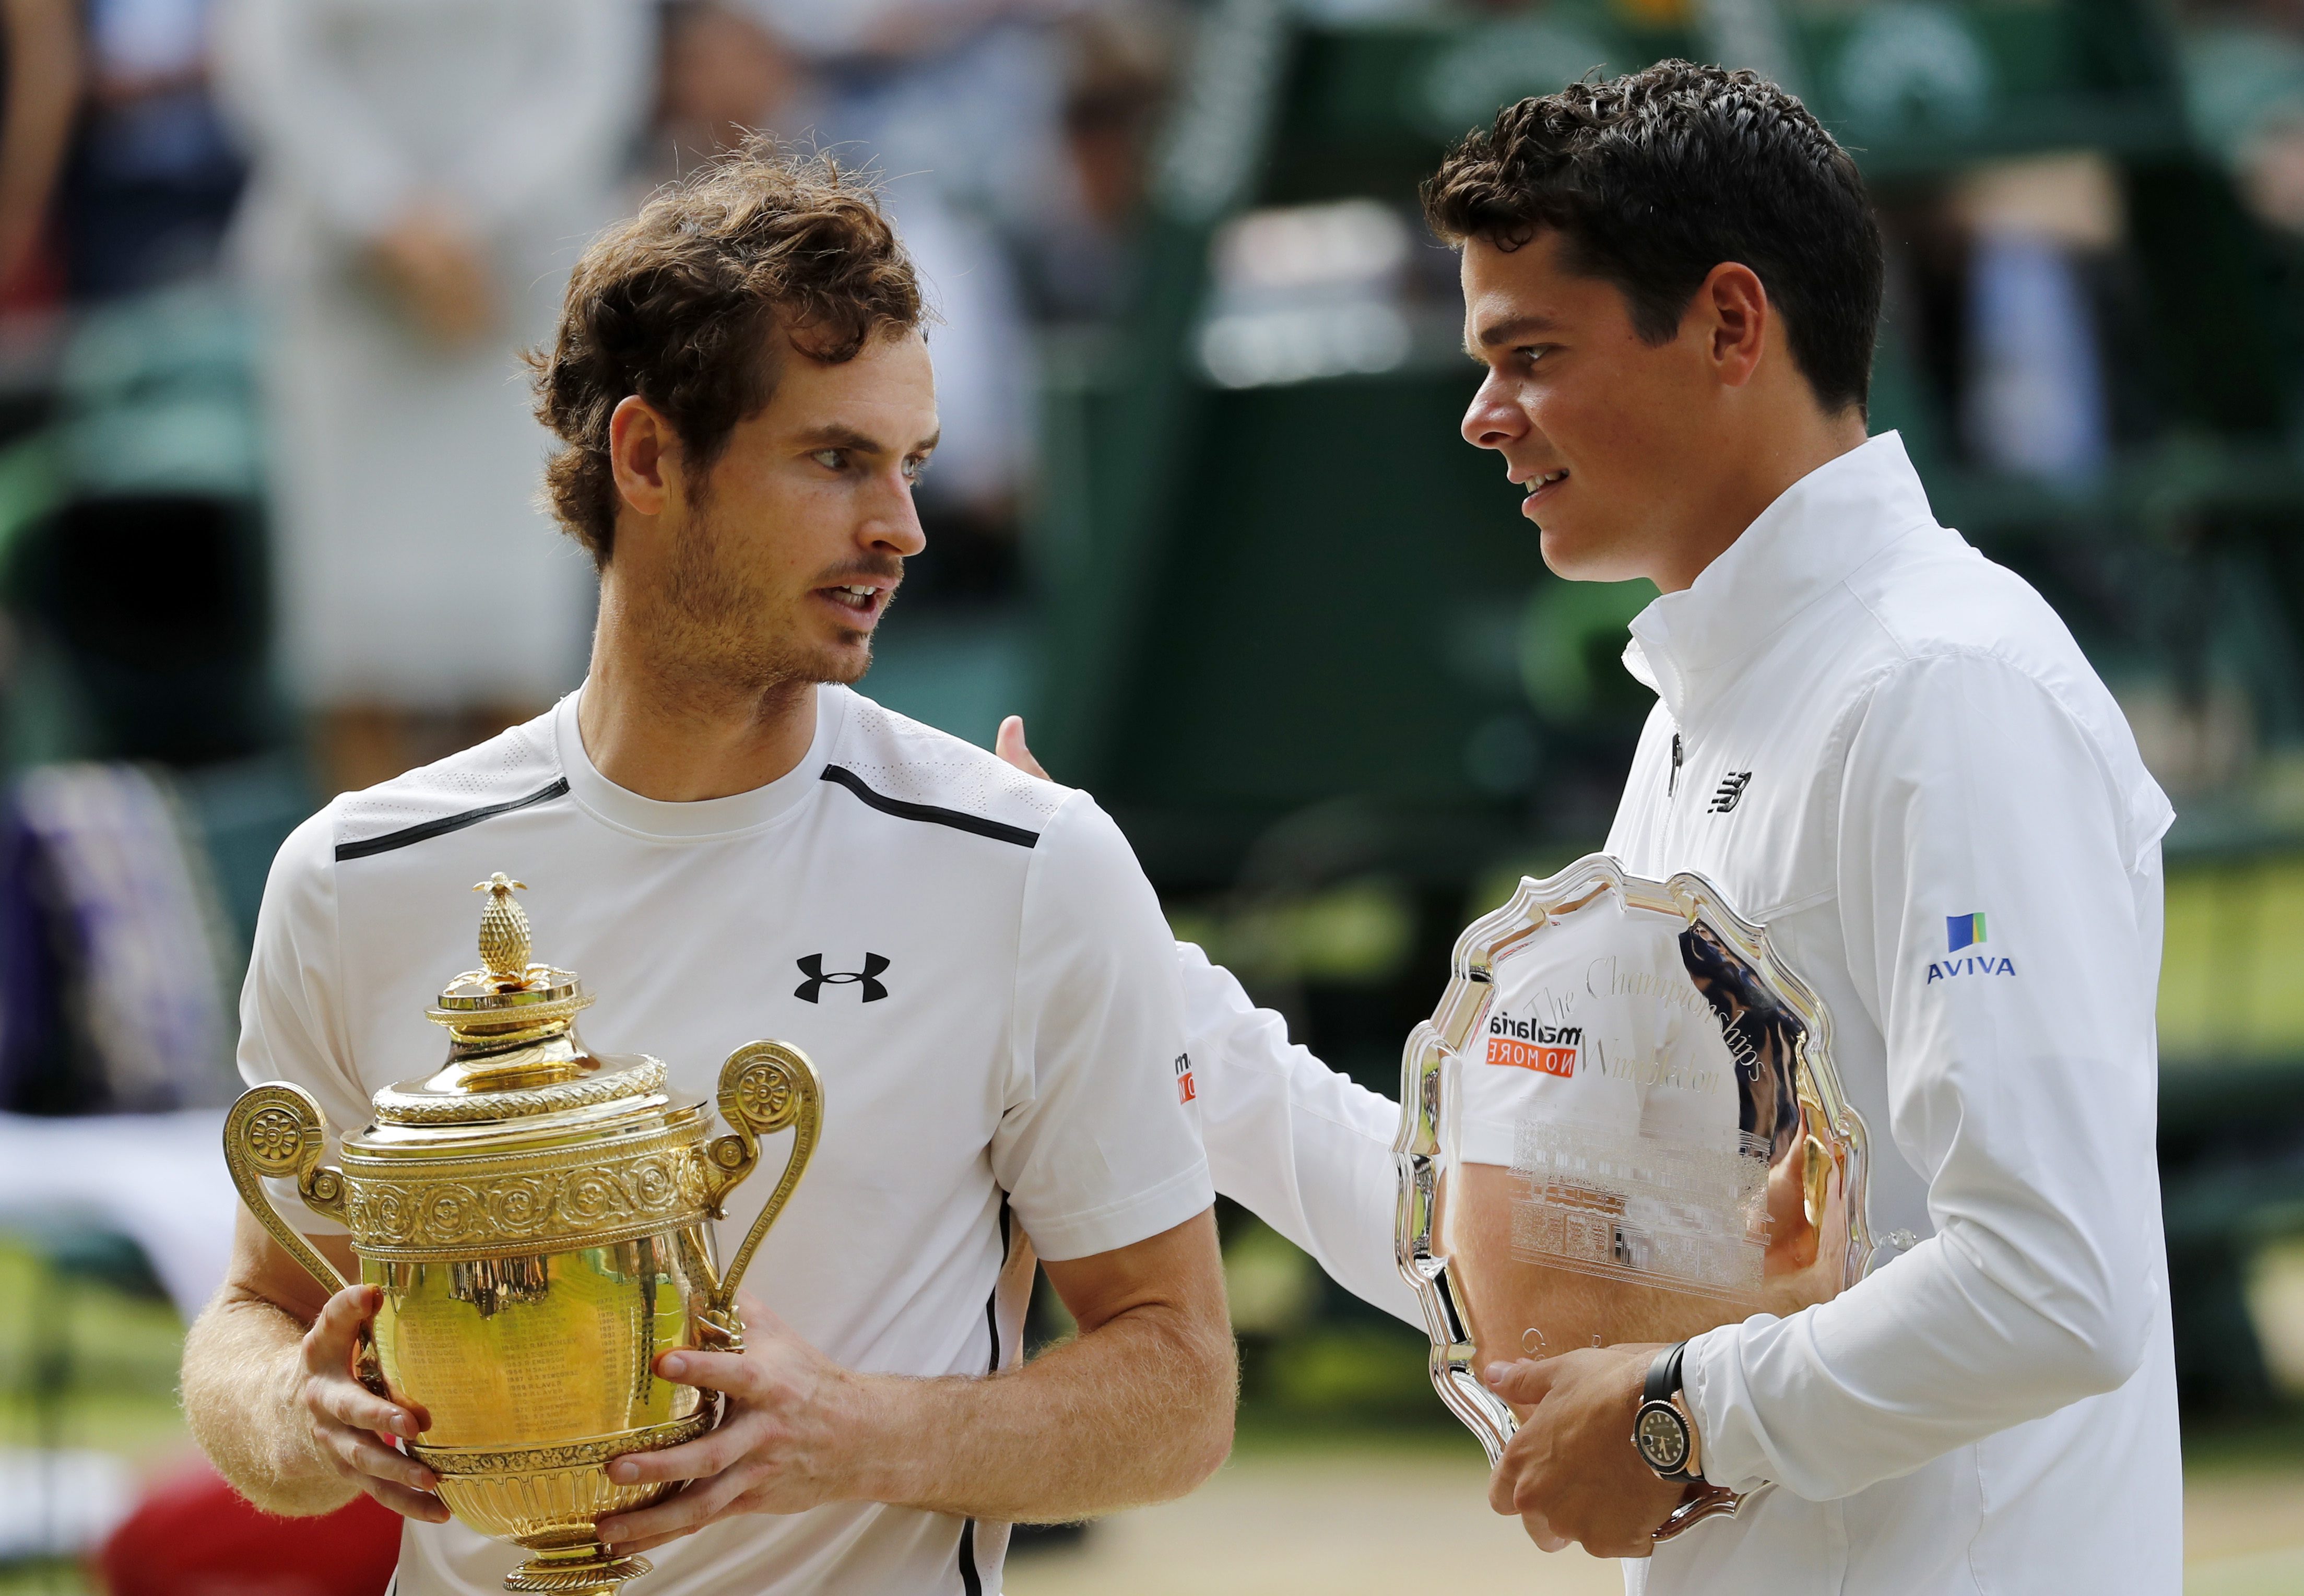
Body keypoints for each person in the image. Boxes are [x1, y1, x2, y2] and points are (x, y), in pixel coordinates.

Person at [1000, 60, 2179, 1594]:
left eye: (1530, 353)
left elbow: (2053, 1285)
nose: (1483, 418)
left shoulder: (1942, 691)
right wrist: (1133, 977)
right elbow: (1526, 1260)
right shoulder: (1711, 701)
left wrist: (1677, 1421)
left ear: (1729, 326)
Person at [179, 145, 1234, 1596]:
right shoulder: (354, 873)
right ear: (648, 456)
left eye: (909, 463)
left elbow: (1178, 1388)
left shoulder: (1031, 860)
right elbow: (256, 1310)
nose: (900, 528)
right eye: (833, 459)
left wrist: (854, 1435)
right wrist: (303, 1417)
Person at [211, 0, 654, 795]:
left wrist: (470, 221)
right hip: (342, 299)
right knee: (354, 654)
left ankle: (515, 908)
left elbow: (592, 74)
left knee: (514, 646)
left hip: (516, 293)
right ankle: (366, 906)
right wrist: (386, 214)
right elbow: (268, 58)